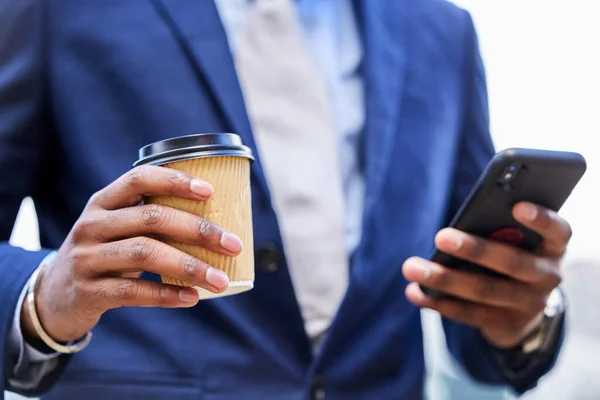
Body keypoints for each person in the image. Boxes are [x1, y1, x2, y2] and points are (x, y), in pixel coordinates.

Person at [0, 0, 570, 399]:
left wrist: (523, 317)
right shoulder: (55, 8)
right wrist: (43, 298)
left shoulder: (442, 29)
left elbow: (465, 292)